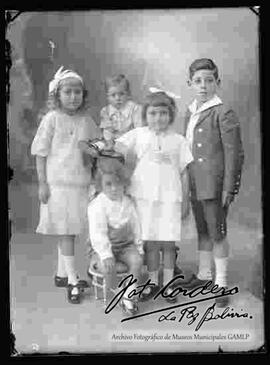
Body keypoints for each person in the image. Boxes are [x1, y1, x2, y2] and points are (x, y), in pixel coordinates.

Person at [31, 66, 101, 304]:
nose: (73, 97)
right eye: (68, 92)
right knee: (66, 231)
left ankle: (62, 274)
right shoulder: (51, 119)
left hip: (80, 185)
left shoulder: (87, 121)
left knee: (72, 229)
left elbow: (95, 150)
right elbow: (40, 153)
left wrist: (94, 154)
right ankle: (72, 279)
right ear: (57, 95)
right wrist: (42, 183)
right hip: (58, 185)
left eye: (78, 92)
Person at [114, 91, 194, 302]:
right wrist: (121, 171)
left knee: (167, 243)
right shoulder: (139, 134)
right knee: (150, 243)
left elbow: (185, 172)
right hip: (144, 198)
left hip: (170, 199)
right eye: (153, 113)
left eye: (163, 113)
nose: (158, 118)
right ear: (145, 115)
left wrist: (186, 200)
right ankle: (151, 282)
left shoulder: (178, 140)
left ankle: (167, 284)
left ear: (171, 115)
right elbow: (116, 148)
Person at [182, 58, 244, 307]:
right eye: (198, 81)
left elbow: (234, 153)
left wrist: (229, 187)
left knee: (217, 233)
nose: (203, 86)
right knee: (202, 231)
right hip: (195, 183)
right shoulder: (190, 111)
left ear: (218, 82)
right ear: (190, 84)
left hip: (215, 186)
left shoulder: (223, 112)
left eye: (209, 80)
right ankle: (204, 275)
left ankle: (221, 283)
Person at [87, 157, 144, 315]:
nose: (114, 189)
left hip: (125, 246)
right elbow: (97, 233)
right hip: (104, 248)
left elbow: (136, 226)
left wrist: (139, 247)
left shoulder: (128, 203)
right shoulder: (98, 205)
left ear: (124, 183)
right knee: (108, 266)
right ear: (100, 185)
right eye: (108, 184)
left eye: (117, 183)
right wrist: (106, 254)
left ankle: (128, 295)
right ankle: (115, 291)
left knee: (137, 261)